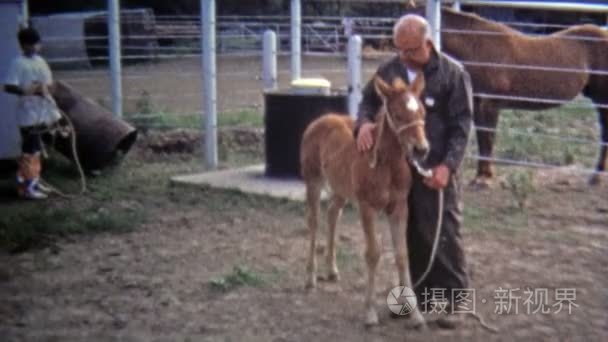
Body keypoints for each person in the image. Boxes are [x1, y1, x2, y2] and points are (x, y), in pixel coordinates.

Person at [355, 14, 473, 328]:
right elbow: (367, 102)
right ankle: (411, 299)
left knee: (443, 228)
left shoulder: (452, 74)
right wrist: (363, 124)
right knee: (407, 234)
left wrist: (448, 166)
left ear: (428, 42)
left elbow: (461, 126)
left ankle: (454, 301)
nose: (404, 56)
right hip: (399, 167)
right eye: (401, 50)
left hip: (437, 164)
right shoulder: (389, 71)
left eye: (411, 50)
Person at [4, 26, 61, 200]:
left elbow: (49, 84)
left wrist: (46, 89)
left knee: (37, 149)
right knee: (30, 150)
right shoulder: (18, 63)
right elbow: (8, 86)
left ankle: (34, 181)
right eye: (29, 44)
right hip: (28, 112)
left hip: (42, 110)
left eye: (36, 44)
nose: (34, 47)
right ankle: (26, 187)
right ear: (23, 45)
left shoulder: (41, 61)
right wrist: (24, 90)